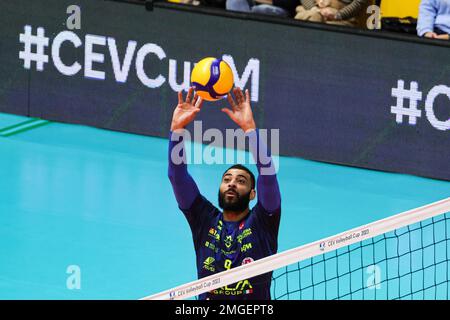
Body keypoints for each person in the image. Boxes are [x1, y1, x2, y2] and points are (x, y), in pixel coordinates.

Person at [168, 87, 281, 300]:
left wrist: (250, 130)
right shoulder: (204, 219)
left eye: (241, 181)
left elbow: (268, 175)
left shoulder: (263, 222)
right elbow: (177, 177)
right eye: (227, 179)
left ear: (253, 194)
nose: (231, 184)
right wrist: (177, 131)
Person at [295, 0, 369, 27]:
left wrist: (339, 15)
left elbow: (359, 3)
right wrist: (314, 8)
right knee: (313, 17)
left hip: (341, 19)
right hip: (310, 10)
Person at [226, 0, 299, 18]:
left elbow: (290, 3)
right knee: (233, 1)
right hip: (250, 4)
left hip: (280, 7)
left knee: (260, 9)